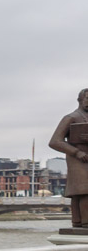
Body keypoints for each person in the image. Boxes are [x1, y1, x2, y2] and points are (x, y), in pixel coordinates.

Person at [49, 88, 88, 227]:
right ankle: (84, 222)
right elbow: (55, 141)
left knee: (82, 190)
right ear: (80, 100)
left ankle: (79, 222)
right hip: (77, 158)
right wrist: (76, 152)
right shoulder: (71, 117)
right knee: (83, 189)